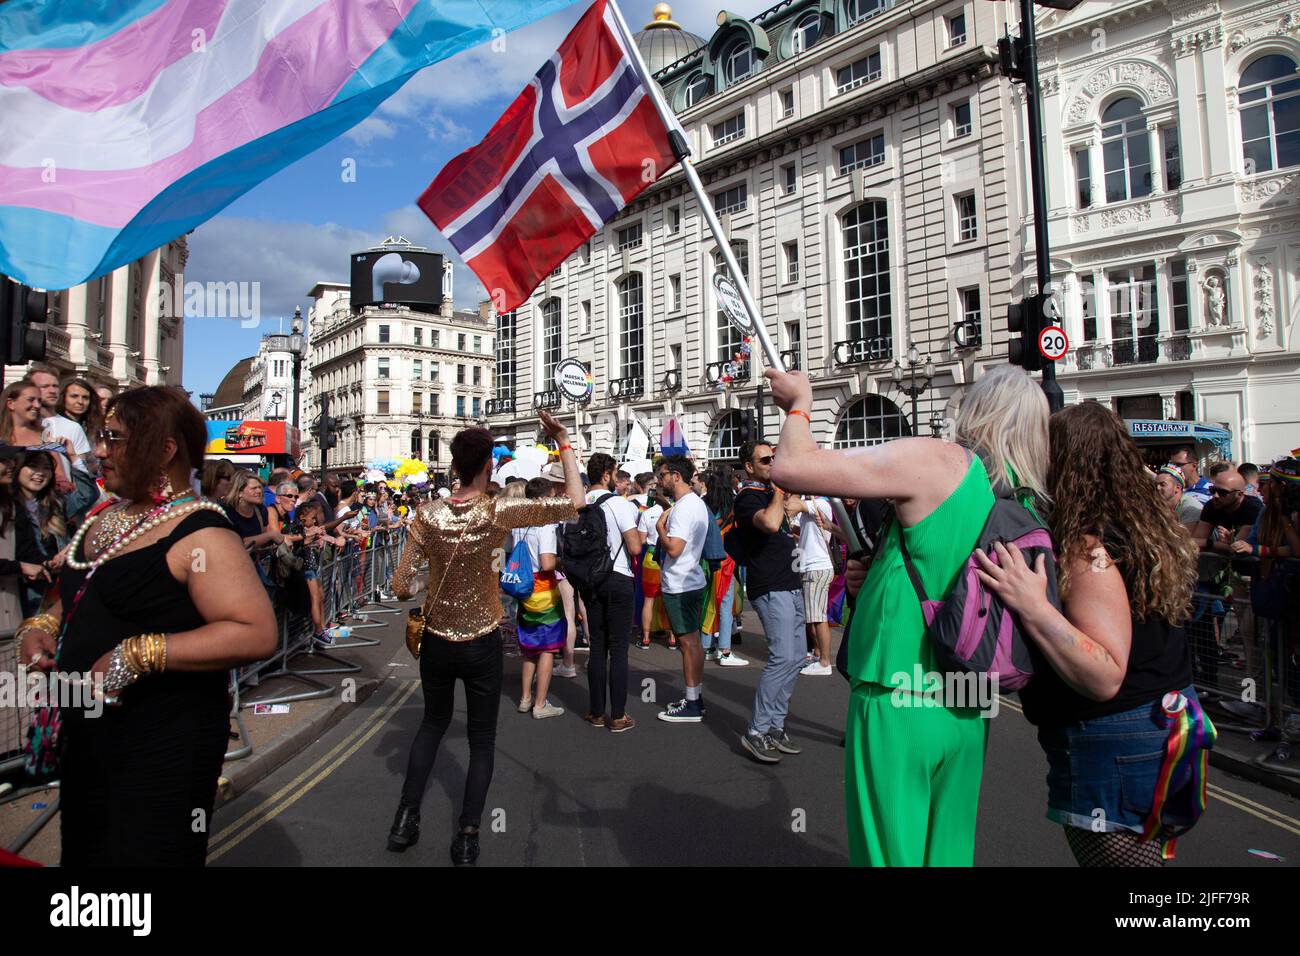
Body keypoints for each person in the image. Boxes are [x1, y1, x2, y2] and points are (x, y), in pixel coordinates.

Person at [766, 364, 1049, 865]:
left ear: (973, 411)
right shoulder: (1020, 495)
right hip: (968, 699)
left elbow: (791, 466)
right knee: (947, 853)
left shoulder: (940, 461)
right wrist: (877, 573)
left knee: (890, 853)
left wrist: (799, 404)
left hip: (900, 692)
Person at [18, 386, 277, 865]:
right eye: (100, 437)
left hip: (159, 746)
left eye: (112, 439)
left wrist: (136, 655)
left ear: (163, 449)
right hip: (90, 741)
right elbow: (79, 592)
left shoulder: (200, 530)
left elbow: (254, 630)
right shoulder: (105, 515)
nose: (98, 451)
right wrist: (42, 624)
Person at [979, 403, 1205, 866]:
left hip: (1115, 739)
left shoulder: (1088, 546)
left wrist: (1034, 605)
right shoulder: (1145, 525)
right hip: (1161, 721)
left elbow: (1103, 673)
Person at [388, 413, 583, 865]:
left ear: (454, 465)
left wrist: (426, 586)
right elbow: (574, 502)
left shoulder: (426, 514)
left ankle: (405, 819)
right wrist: (564, 442)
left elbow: (399, 585)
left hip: (436, 640)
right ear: (487, 468)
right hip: (481, 641)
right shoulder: (500, 510)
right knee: (481, 740)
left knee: (431, 725)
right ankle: (469, 836)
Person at [730, 439, 808, 765]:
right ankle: (757, 730)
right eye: (765, 460)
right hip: (771, 588)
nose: (772, 463)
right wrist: (778, 489)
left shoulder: (768, 494)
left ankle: (775, 726)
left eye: (774, 458)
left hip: (790, 585)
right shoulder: (749, 498)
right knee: (781, 658)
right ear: (749, 466)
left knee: (796, 658)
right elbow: (772, 522)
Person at [579, 452, 643, 733]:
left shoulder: (579, 503)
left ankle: (595, 711)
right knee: (618, 649)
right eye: (615, 472)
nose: (617, 478)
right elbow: (634, 548)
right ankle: (617, 715)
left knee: (597, 647)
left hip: (590, 579)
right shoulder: (619, 504)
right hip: (617, 577)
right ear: (606, 474)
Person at [654, 456, 713, 723]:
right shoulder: (692, 503)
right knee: (692, 643)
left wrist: (659, 529)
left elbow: (675, 548)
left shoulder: (685, 507)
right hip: (689, 581)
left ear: (676, 476)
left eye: (662, 474)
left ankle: (692, 703)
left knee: (688, 644)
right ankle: (694, 698)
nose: (659, 480)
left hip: (681, 583)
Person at [513, 477, 568, 719]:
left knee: (529, 649)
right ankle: (540, 703)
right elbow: (547, 563)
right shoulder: (545, 525)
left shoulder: (519, 522)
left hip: (524, 588)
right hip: (543, 589)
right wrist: (561, 561)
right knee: (547, 649)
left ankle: (525, 698)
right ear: (546, 497)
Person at [12, 450, 70, 616]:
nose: (39, 473)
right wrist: (43, 564)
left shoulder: (55, 503)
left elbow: (86, 495)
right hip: (24, 590)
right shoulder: (10, 507)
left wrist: (72, 456)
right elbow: (22, 550)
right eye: (32, 466)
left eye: (46, 468)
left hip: (55, 588)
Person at [701, 466, 746, 666]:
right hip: (725, 558)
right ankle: (725, 651)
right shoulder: (732, 506)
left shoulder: (703, 503)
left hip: (705, 557)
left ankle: (707, 647)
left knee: (708, 602)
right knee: (725, 605)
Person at [794, 494, 836, 676]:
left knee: (818, 618)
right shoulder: (812, 504)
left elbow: (792, 506)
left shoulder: (820, 503)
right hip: (810, 565)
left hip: (817, 566)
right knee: (813, 618)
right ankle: (818, 654)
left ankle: (825, 661)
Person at [1192, 469, 1262, 554]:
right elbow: (1196, 542)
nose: (1215, 496)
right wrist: (1219, 545)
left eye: (1222, 492)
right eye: (1213, 490)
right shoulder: (1212, 505)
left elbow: (1238, 549)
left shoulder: (1252, 508)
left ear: (1239, 494)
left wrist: (1212, 544)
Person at [635, 473, 668, 650]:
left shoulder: (647, 514)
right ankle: (672, 638)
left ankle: (646, 638)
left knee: (649, 599)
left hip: (650, 556)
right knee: (668, 598)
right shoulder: (673, 510)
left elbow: (640, 541)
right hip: (668, 557)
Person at [50, 378, 102, 475]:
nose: (80, 402)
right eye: (74, 396)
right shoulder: (53, 424)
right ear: (63, 397)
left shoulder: (95, 428)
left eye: (85, 398)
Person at [1155, 465, 1202, 529]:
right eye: (1155, 485)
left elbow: (1186, 537)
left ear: (1177, 488)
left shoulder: (1190, 507)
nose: (1157, 488)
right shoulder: (1158, 505)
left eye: (1162, 485)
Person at [1, 381, 45, 447]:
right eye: (30, 400)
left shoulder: (45, 435)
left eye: (39, 401)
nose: (37, 405)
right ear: (11, 404)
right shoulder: (2, 436)